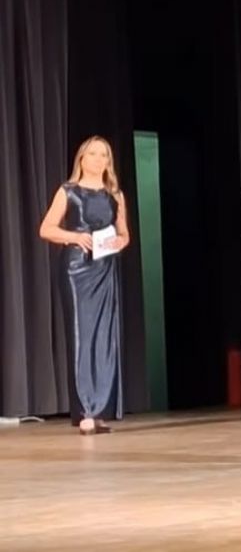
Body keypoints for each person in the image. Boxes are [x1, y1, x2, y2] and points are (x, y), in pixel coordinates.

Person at [39, 136, 130, 434]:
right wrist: (75, 236)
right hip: (77, 269)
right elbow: (46, 229)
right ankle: (85, 411)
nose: (98, 159)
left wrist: (119, 242)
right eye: (93, 154)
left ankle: (99, 409)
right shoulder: (69, 191)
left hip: (104, 267)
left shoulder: (115, 195)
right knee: (81, 336)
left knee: (104, 337)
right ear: (81, 158)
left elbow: (124, 234)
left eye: (104, 155)